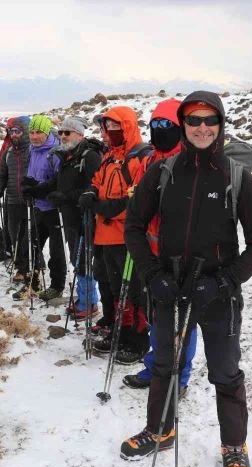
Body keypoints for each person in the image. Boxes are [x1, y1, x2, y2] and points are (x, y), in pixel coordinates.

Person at [120, 91, 252, 467]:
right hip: (170, 288)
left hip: (219, 293)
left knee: (225, 371)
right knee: (165, 364)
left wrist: (226, 280)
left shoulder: (237, 177)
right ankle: (160, 429)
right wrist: (154, 275)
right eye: (194, 120)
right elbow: (133, 226)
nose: (202, 128)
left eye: (210, 120)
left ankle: (235, 445)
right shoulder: (164, 172)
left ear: (220, 125)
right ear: (183, 125)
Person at [123, 98, 197, 392]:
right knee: (156, 318)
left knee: (183, 324)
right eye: (154, 125)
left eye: (167, 125)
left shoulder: (190, 163)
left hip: (181, 257)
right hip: (151, 256)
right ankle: (155, 367)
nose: (159, 130)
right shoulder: (149, 160)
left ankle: (180, 378)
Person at [78, 106, 153, 363]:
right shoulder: (110, 158)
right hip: (105, 235)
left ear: (126, 127)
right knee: (111, 286)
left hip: (126, 237)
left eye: (112, 127)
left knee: (133, 291)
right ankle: (120, 330)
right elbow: (98, 180)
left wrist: (110, 208)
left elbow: (138, 198)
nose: (107, 132)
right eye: (105, 127)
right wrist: (90, 191)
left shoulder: (139, 158)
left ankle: (138, 339)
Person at [41, 116, 102, 319]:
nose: (63, 136)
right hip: (69, 217)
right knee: (78, 259)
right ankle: (84, 299)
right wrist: (36, 188)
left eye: (67, 133)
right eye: (61, 133)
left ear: (79, 134)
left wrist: (66, 197)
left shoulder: (89, 156)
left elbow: (93, 187)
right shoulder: (68, 157)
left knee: (83, 259)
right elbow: (57, 183)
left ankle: (89, 303)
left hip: (84, 217)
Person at [13, 114, 63, 301]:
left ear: (47, 132)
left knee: (56, 250)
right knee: (31, 245)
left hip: (53, 209)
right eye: (32, 132)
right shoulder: (33, 150)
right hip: (37, 206)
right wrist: (28, 187)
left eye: (38, 132)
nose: (34, 136)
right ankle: (31, 284)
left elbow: (59, 182)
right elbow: (32, 174)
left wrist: (39, 189)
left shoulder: (56, 152)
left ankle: (57, 286)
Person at [0, 116, 31, 272]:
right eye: (11, 131)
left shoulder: (33, 150)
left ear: (25, 131)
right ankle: (21, 266)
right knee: (14, 235)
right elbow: (1, 175)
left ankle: (31, 267)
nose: (13, 134)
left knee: (28, 238)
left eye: (17, 131)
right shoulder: (9, 152)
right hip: (12, 200)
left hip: (30, 200)